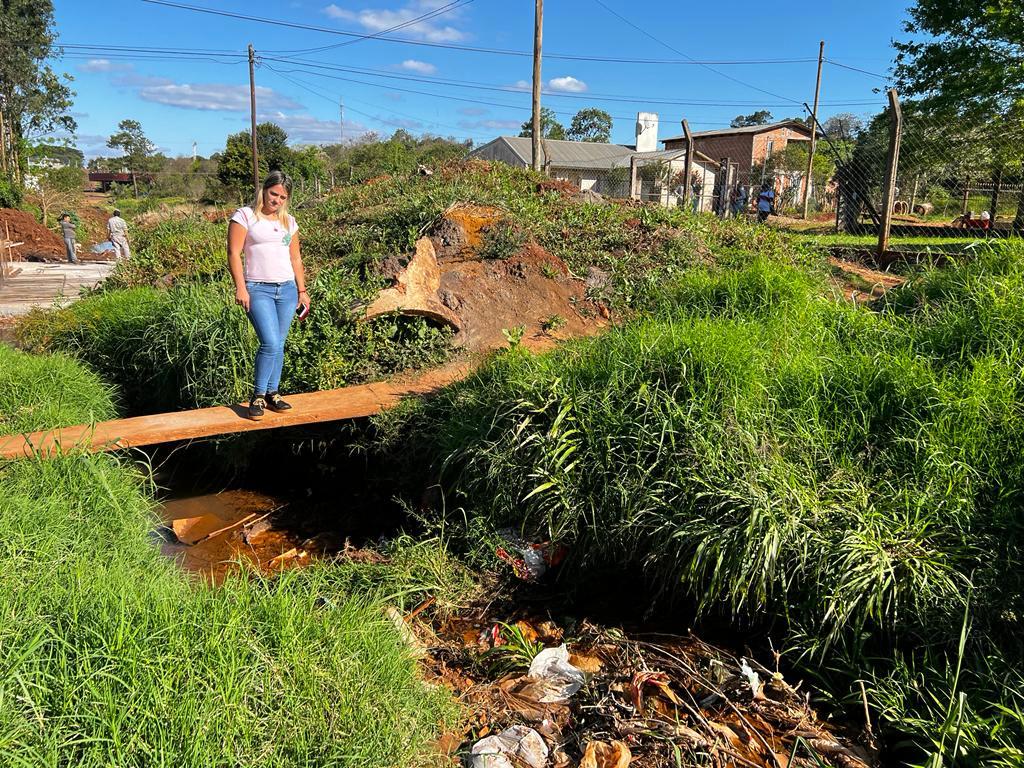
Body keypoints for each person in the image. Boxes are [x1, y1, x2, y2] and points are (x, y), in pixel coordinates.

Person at [228, 171, 309, 421]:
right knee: (270, 343)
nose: (277, 200)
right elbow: (233, 253)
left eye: (282, 197)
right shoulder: (245, 216)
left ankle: (273, 393)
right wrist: (240, 287)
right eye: (274, 193)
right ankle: (258, 396)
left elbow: (295, 257)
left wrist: (302, 290)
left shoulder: (289, 222)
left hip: (285, 289)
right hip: (258, 288)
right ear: (264, 190)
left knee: (279, 344)